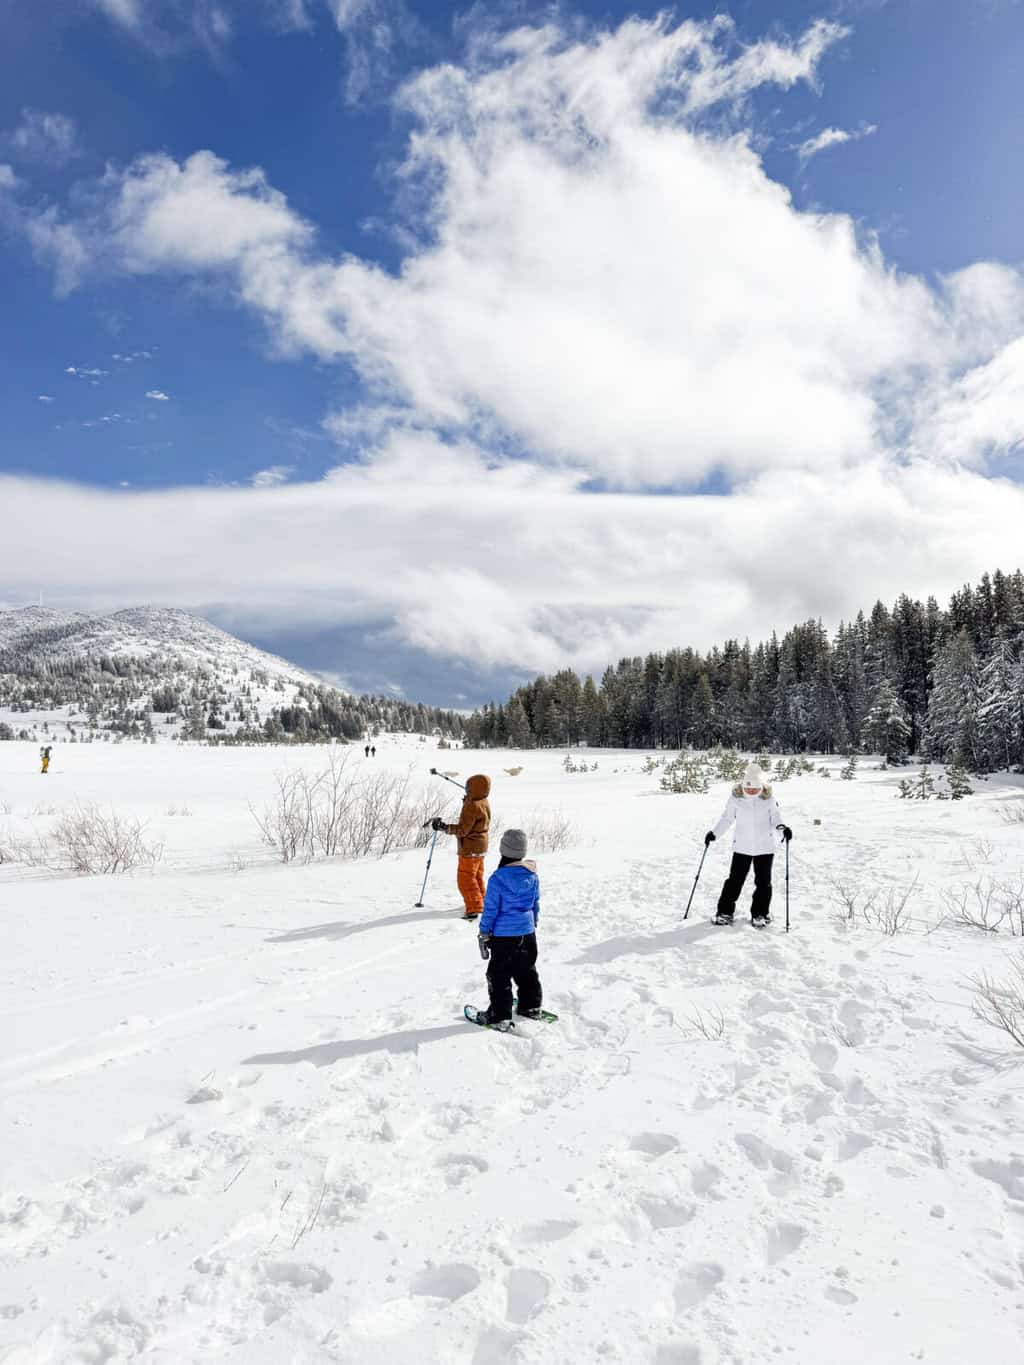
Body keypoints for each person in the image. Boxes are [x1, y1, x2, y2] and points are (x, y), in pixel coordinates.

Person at [705, 762, 792, 926]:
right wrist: (714, 833)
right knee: (734, 881)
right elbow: (727, 819)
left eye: (755, 788)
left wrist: (783, 829)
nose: (751, 791)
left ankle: (760, 913)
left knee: (763, 883)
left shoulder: (769, 800)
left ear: (761, 787)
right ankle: (724, 912)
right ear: (743, 785)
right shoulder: (735, 799)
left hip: (764, 847)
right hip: (742, 847)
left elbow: (776, 819)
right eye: (748, 788)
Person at [475, 828, 542, 1027]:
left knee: (498, 975)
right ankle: (531, 1006)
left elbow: (491, 910)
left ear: (503, 850)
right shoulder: (531, 874)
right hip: (527, 932)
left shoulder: (498, 879)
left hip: (504, 936)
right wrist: (533, 922)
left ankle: (499, 1015)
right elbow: (535, 903)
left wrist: (484, 931)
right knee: (526, 969)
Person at [432, 773, 491, 919]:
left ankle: (474, 908)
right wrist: (468, 799)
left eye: (468, 787)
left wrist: (444, 827)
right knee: (476, 877)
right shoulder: (483, 801)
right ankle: (482, 901)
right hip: (481, 847)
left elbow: (463, 829)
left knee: (465, 879)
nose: (466, 789)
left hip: (470, 848)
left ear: (473, 789)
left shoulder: (472, 805)